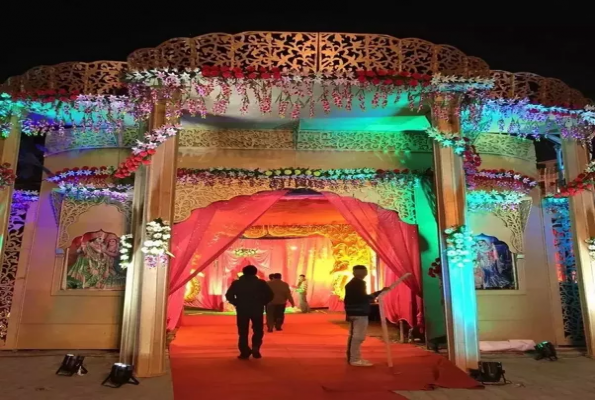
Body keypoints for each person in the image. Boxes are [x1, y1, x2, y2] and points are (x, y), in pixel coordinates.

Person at [225, 265, 274, 360]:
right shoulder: (261, 283)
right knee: (258, 330)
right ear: (255, 273)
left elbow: (229, 295)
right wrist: (262, 302)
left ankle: (244, 351)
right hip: (257, 309)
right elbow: (270, 295)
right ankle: (256, 347)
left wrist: (236, 303)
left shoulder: (237, 283)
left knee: (243, 331)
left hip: (242, 309)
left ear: (243, 272)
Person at [344, 265, 387, 367]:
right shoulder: (358, 284)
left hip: (354, 312)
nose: (365, 273)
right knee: (358, 336)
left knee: (354, 336)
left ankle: (353, 357)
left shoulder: (352, 283)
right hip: (359, 312)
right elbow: (363, 298)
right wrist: (378, 293)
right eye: (364, 271)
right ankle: (354, 359)